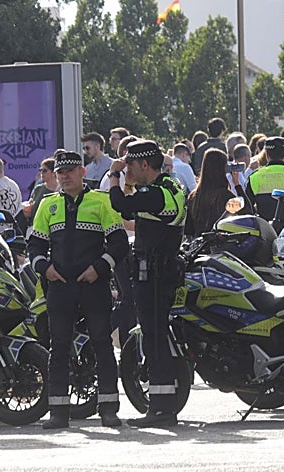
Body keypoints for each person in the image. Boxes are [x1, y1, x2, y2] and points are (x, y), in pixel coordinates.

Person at [28, 149, 127, 429]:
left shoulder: (101, 201)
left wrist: (99, 268)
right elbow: (35, 245)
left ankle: (108, 408)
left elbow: (119, 244)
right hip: (60, 286)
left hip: (93, 285)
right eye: (60, 172)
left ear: (83, 173)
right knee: (58, 348)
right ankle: (58, 412)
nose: (65, 176)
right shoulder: (47, 205)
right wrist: (44, 267)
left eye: (70, 171)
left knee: (102, 345)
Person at [109, 140, 186, 427]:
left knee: (154, 341)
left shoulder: (156, 194)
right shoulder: (168, 187)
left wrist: (113, 174)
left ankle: (162, 409)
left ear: (144, 164)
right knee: (155, 339)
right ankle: (161, 405)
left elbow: (121, 206)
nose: (127, 169)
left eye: (130, 165)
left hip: (154, 275)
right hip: (159, 272)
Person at [184, 148, 237, 237]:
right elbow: (247, 212)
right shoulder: (225, 196)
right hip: (221, 244)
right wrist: (237, 184)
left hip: (199, 244)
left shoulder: (194, 196)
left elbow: (189, 229)